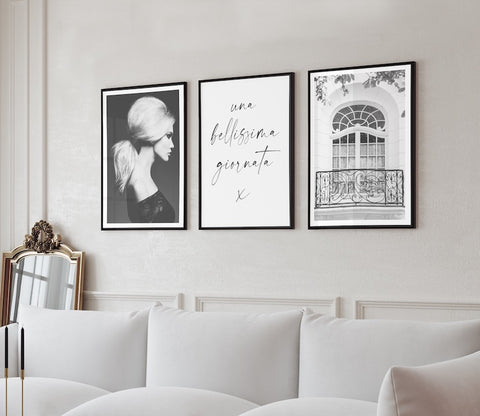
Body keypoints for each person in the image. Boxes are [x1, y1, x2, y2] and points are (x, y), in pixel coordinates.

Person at [112, 96, 176, 223]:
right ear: (153, 133)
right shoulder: (138, 183)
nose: (172, 145)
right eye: (168, 136)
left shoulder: (141, 177)